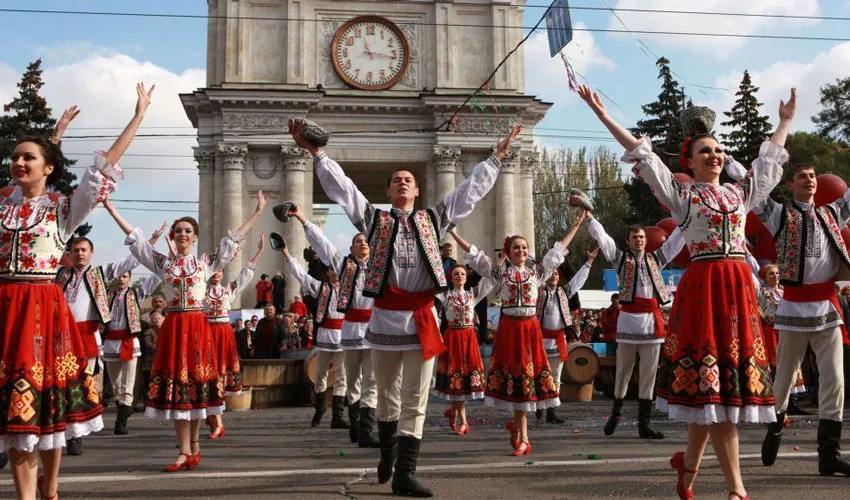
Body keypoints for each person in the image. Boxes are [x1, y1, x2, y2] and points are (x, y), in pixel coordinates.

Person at [579, 83, 795, 500]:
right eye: (705, 152)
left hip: (736, 292)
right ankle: (736, 488)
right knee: (716, 395)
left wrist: (784, 122)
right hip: (704, 290)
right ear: (690, 162)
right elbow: (645, 157)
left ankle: (688, 467)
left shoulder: (739, 194)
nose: (715, 156)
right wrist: (603, 115)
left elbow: (767, 166)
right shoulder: (682, 197)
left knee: (711, 398)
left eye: (718, 150)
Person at [292, 117, 521, 497]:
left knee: (417, 398)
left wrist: (495, 158)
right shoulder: (374, 220)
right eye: (396, 179)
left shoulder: (434, 219)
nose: (402, 182)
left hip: (422, 319)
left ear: (417, 190)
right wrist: (318, 154)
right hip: (383, 320)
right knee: (387, 395)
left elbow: (469, 193)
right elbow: (344, 190)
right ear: (388, 190)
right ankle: (386, 453)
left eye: (408, 180)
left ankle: (404, 473)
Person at [2, 83, 152, 500]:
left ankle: (48, 488)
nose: (18, 162)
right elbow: (31, 170)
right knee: (16, 418)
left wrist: (137, 117)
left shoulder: (62, 209)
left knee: (44, 407)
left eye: (27, 158)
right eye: (14, 157)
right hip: (5, 311)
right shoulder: (1, 204)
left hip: (42, 312)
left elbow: (103, 168)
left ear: (46, 168)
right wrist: (51, 140)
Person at [104, 186, 266, 473]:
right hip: (175, 328)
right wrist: (111, 208)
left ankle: (194, 448)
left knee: (196, 389)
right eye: (178, 231)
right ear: (172, 236)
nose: (182, 235)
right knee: (179, 389)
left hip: (198, 328)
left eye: (187, 231)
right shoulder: (162, 263)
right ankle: (184, 450)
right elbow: (137, 242)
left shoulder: (205, 262)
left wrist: (257, 213)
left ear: (195, 236)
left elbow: (233, 239)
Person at [750, 161, 850, 476]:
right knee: (784, 380)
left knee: (834, 380)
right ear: (790, 185)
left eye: (811, 176)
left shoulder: (832, 214)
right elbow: (755, 195)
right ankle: (775, 429)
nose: (808, 180)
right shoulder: (780, 214)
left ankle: (829, 455)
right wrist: (748, 169)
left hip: (826, 308)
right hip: (793, 308)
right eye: (801, 177)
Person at [466, 209, 588, 457]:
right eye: (516, 248)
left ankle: (523, 434)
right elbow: (476, 255)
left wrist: (576, 226)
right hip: (510, 329)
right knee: (515, 375)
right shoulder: (500, 274)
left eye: (524, 248)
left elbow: (557, 252)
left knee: (527, 376)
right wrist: (454, 231)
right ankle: (520, 429)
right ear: (508, 253)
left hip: (530, 330)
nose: (521, 251)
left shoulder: (538, 273)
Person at [287, 205, 379, 446]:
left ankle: (366, 429)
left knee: (371, 379)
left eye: (365, 240)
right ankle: (354, 422)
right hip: (348, 332)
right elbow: (322, 243)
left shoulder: (380, 266)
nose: (362, 243)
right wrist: (302, 219)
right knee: (351, 380)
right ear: (351, 248)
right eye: (358, 241)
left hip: (372, 331)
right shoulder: (344, 266)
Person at [588, 218, 685, 440]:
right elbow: (604, 240)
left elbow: (674, 244)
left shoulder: (655, 258)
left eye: (642, 237)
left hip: (651, 323)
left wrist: (686, 220)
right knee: (623, 371)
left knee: (649, 375)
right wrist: (592, 218)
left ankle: (644, 424)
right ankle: (615, 415)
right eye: (635, 238)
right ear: (628, 241)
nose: (639, 241)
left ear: (646, 240)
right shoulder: (620, 259)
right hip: (629, 321)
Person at [278, 229, 349, 430]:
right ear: (327, 272)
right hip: (325, 336)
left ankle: (338, 415)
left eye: (337, 268)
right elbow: (300, 273)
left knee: (342, 376)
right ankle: (320, 409)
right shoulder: (320, 288)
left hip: (344, 337)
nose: (334, 271)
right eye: (331, 269)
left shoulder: (349, 287)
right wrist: (285, 253)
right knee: (320, 375)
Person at [432, 230, 494, 435]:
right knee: (456, 381)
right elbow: (430, 282)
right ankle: (461, 418)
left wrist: (492, 262)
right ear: (451, 277)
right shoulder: (446, 295)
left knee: (464, 381)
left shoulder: (472, 294)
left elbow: (489, 279)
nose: (459, 276)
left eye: (463, 274)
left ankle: (457, 414)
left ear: (467, 278)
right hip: (452, 337)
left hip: (468, 338)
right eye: (456, 274)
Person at [204, 235, 265, 440]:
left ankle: (216, 420)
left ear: (222, 273)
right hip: (206, 335)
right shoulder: (200, 294)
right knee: (205, 376)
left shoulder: (228, 291)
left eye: (219, 271)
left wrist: (258, 252)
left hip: (223, 335)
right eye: (212, 272)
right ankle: (213, 418)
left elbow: (245, 275)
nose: (216, 274)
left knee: (218, 375)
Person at [534, 247, 598, 424]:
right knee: (540, 376)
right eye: (551, 273)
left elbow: (577, 281)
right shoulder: (538, 292)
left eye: (556, 274)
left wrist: (589, 262)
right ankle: (540, 407)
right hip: (541, 341)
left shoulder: (563, 292)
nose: (554, 276)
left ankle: (552, 412)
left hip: (558, 340)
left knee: (556, 377)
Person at [103, 270, 161, 435]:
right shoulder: (107, 295)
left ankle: (120, 422)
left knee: (128, 382)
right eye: (119, 276)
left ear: (129, 278)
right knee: (115, 384)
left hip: (129, 341)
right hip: (111, 342)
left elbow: (154, 279)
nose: (121, 279)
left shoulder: (137, 294)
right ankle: (124, 407)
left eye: (125, 276)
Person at [141, 310, 164, 405]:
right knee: (149, 383)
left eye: (158, 318)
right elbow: (149, 345)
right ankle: (148, 402)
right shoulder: (148, 332)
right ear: (150, 320)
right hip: (150, 362)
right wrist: (162, 348)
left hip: (164, 361)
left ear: (163, 319)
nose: (156, 320)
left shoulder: (167, 330)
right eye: (154, 319)